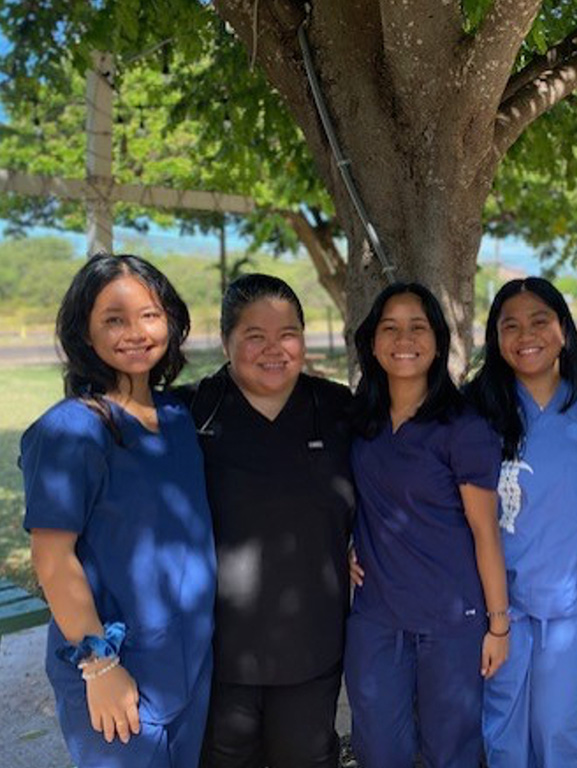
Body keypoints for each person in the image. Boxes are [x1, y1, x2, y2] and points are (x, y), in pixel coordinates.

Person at [20, 253, 216, 768]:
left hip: (189, 664)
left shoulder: (178, 417)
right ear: (84, 332)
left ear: (171, 322)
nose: (136, 331)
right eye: (114, 318)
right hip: (116, 671)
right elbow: (52, 559)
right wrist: (99, 667)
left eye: (150, 315)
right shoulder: (70, 431)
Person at [172, 274, 355, 768]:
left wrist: (368, 543)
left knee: (305, 755)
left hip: (311, 644)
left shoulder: (338, 409)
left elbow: (390, 484)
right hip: (217, 647)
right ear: (226, 340)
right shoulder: (188, 413)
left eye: (288, 334)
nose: (274, 349)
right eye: (255, 336)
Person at [346, 281, 510, 768]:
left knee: (452, 752)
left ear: (438, 341)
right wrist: (341, 545)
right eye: (390, 328)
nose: (404, 339)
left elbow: (486, 532)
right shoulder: (359, 420)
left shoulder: (464, 427)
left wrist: (498, 625)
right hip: (376, 618)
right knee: (378, 749)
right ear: (372, 343)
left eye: (418, 327)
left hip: (451, 623)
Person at [464, 277, 577, 768]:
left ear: (563, 330)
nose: (526, 334)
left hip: (571, 602)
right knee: (502, 723)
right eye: (511, 325)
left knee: (558, 724)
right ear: (495, 338)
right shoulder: (475, 413)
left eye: (540, 321)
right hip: (498, 606)